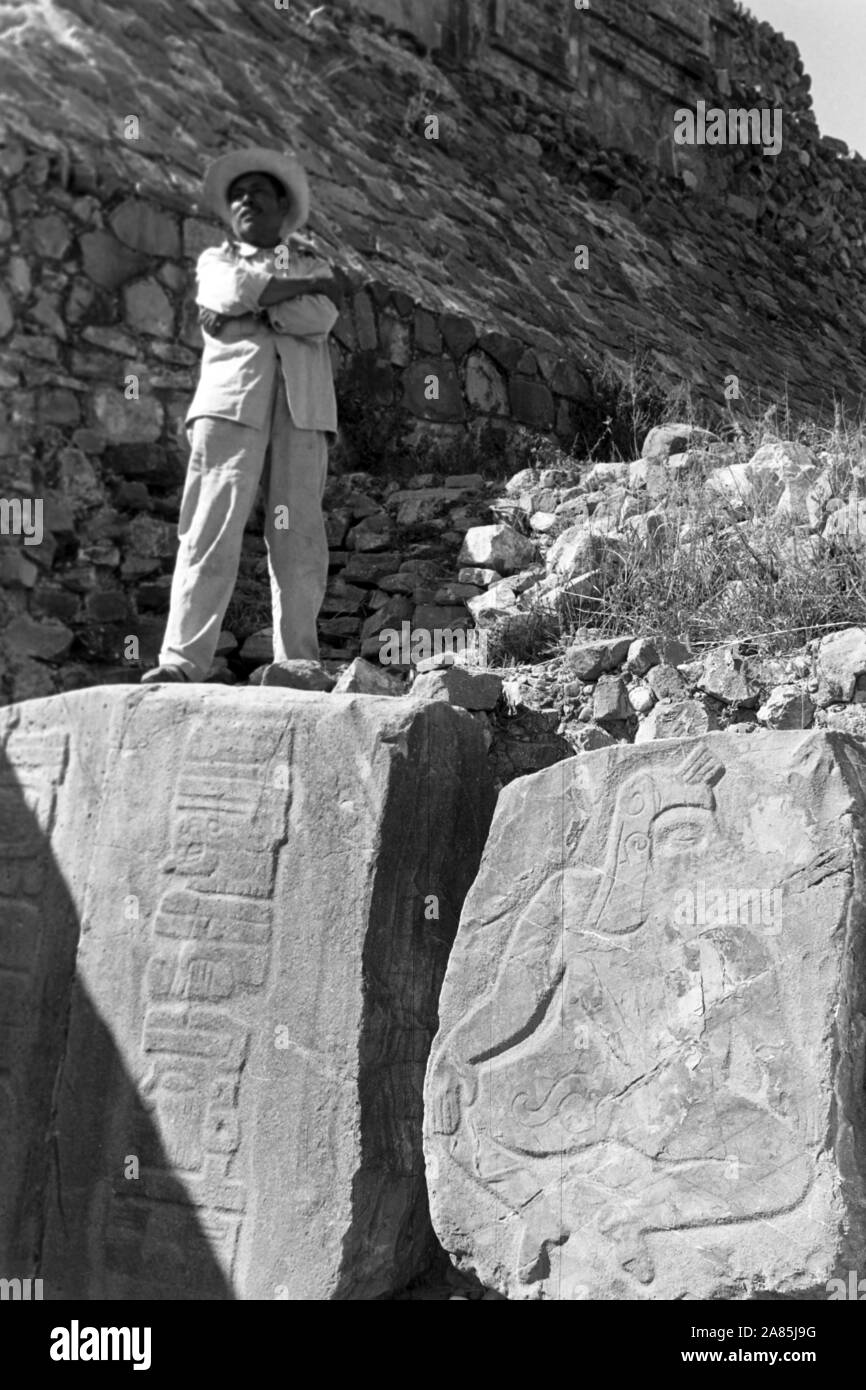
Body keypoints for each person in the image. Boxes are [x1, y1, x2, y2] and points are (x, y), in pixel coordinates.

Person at [142, 147, 342, 683]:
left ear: (282, 205)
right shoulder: (216, 261)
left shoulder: (307, 262)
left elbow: (320, 317)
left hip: (302, 410)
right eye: (236, 195)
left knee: (298, 534)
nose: (245, 200)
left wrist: (251, 309)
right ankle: (181, 662)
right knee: (209, 526)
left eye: (257, 191)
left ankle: (298, 662)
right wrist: (284, 301)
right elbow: (230, 291)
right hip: (230, 404)